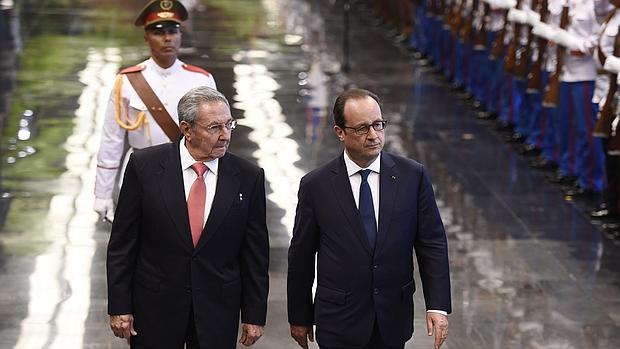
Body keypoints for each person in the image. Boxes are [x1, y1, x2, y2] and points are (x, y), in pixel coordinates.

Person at [287, 88, 452, 349]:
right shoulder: (316, 185)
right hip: (338, 321)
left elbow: (432, 243)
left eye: (378, 125)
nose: (374, 135)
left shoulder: (412, 176)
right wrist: (299, 316)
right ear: (340, 132)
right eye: (362, 128)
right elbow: (301, 256)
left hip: (392, 317)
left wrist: (438, 305)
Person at [106, 86, 269, 348]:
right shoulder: (145, 167)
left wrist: (254, 315)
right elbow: (123, 245)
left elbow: (255, 254)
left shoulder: (248, 177)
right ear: (187, 129)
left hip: (217, 311)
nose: (225, 135)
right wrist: (119, 306)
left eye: (229, 124)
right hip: (155, 310)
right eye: (215, 127)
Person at [94, 0, 217, 221]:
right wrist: (102, 193)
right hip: (140, 174)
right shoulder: (128, 81)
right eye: (159, 32)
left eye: (173, 31)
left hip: (187, 174)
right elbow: (111, 139)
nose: (167, 38)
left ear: (180, 35)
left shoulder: (201, 80)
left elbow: (216, 137)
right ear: (146, 37)